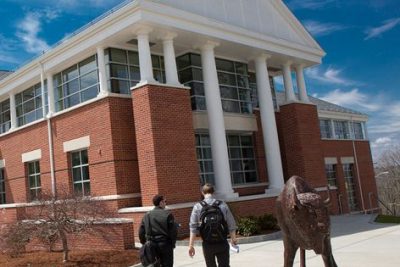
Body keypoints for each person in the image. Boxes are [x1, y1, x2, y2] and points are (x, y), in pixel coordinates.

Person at [188, 183, 238, 267]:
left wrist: (191, 246)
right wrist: (233, 239)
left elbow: (193, 228)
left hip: (207, 244)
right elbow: (231, 224)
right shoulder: (222, 204)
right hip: (222, 242)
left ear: (202, 192)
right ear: (213, 192)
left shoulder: (197, 207)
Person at [139, 194, 178, 267]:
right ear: (160, 203)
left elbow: (141, 232)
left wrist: (144, 243)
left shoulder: (147, 215)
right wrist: (172, 244)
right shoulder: (168, 214)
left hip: (151, 245)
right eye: (165, 201)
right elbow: (173, 231)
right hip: (165, 245)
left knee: (154, 265)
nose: (165, 203)